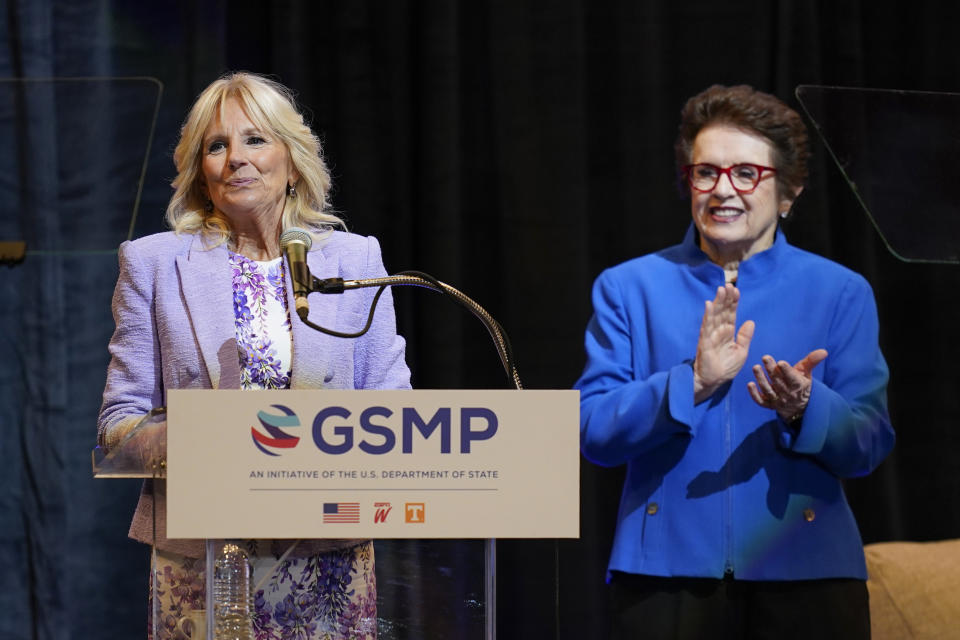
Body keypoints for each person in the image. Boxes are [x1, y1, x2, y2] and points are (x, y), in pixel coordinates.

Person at [97, 72, 411, 640]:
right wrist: (208, 436)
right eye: (216, 146)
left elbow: (392, 408)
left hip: (328, 548)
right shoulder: (153, 264)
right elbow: (120, 424)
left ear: (292, 160)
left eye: (255, 140)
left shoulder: (354, 259)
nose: (235, 158)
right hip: (204, 556)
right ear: (201, 171)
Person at [575, 84, 894, 639]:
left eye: (746, 173)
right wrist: (691, 382)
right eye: (706, 173)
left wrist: (805, 408)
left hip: (809, 576)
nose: (724, 190)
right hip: (663, 578)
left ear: (789, 191)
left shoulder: (841, 291)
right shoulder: (629, 288)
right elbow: (592, 430)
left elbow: (868, 442)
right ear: (688, 183)